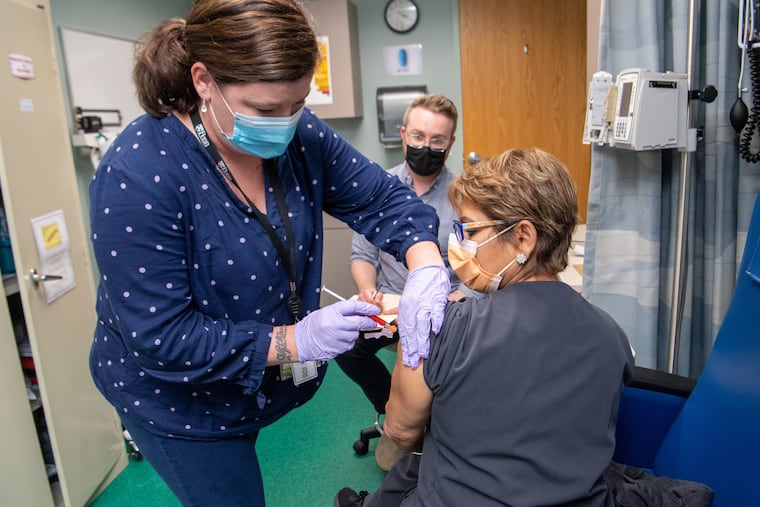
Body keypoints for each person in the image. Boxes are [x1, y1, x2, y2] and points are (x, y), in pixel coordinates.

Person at [87, 1, 451, 505]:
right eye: (265, 110)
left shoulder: (301, 135)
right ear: (203, 81)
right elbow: (163, 338)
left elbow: (382, 198)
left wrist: (427, 263)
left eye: (297, 104)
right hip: (180, 403)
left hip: (255, 382)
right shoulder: (140, 174)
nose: (285, 125)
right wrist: (294, 341)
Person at [336, 148, 635, 507]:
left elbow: (400, 431)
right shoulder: (612, 335)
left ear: (524, 237)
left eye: (470, 230)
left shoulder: (443, 328)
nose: (459, 245)